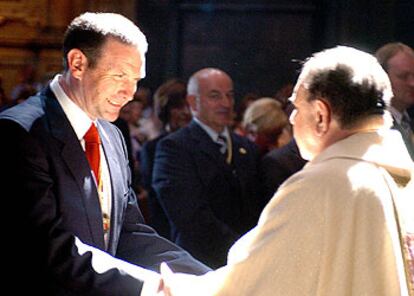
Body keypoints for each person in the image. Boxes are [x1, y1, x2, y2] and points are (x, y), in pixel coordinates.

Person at [146, 46, 414, 295]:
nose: (292, 118)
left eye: (296, 106)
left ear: (321, 115)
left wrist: (182, 289)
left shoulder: (321, 185)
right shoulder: (399, 173)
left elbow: (253, 282)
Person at [0, 12, 210, 295]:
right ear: (78, 63)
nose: (130, 92)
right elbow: (48, 248)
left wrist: (208, 279)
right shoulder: (19, 133)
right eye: (120, 75)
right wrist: (156, 286)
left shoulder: (111, 135)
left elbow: (128, 232)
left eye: (136, 79)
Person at [152, 68, 262, 268]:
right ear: (193, 102)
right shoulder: (174, 148)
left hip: (249, 264)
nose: (226, 104)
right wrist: (242, 250)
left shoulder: (247, 148)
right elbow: (191, 218)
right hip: (200, 265)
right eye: (215, 96)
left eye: (230, 96)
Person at [140, 78, 191, 239]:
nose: (185, 112)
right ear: (165, 110)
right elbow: (154, 199)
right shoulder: (152, 148)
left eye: (188, 106)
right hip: (166, 232)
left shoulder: (202, 146)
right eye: (178, 107)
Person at [375, 42, 414, 159]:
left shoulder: (409, 119)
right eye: (403, 76)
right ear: (382, 77)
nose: (412, 83)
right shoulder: (371, 125)